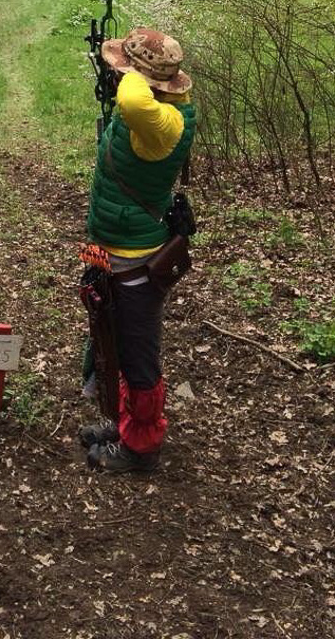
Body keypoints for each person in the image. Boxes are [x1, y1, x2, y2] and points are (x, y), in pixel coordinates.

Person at [81, 27, 196, 474]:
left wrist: (132, 73)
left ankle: (141, 447)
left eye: (126, 72)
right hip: (119, 249)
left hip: (136, 259)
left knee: (137, 354)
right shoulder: (154, 112)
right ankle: (125, 423)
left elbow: (130, 100)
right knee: (116, 344)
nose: (118, 77)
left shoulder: (163, 121)